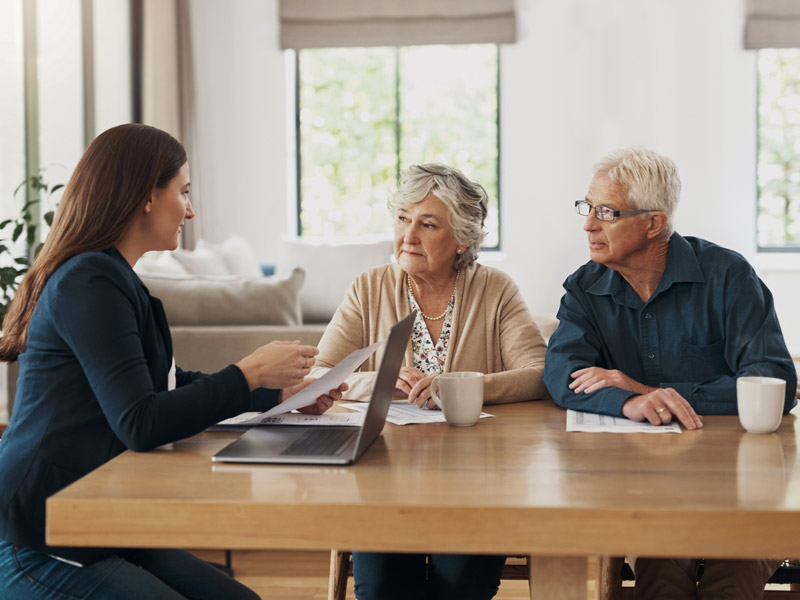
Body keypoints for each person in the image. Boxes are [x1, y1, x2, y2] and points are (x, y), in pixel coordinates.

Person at [0, 123, 344, 600]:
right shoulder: (89, 281)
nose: (191, 208)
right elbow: (139, 420)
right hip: (39, 532)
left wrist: (278, 394)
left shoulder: (112, 277)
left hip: (95, 520)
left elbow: (165, 383)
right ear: (146, 195)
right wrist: (247, 373)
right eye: (182, 192)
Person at [543, 146, 797, 599]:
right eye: (588, 207)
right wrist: (629, 402)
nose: (588, 224)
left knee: (730, 584)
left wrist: (649, 390)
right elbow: (563, 373)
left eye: (607, 211)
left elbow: (775, 380)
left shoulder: (728, 276)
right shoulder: (585, 287)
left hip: (741, 483)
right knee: (661, 581)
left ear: (653, 223)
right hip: (641, 487)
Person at [311, 163, 547, 600]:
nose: (408, 236)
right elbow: (320, 374)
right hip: (383, 480)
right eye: (403, 219)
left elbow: (538, 375)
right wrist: (380, 383)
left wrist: (456, 386)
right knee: (382, 589)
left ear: (462, 240)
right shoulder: (368, 287)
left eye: (427, 224)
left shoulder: (496, 290)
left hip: (477, 482)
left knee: (458, 585)